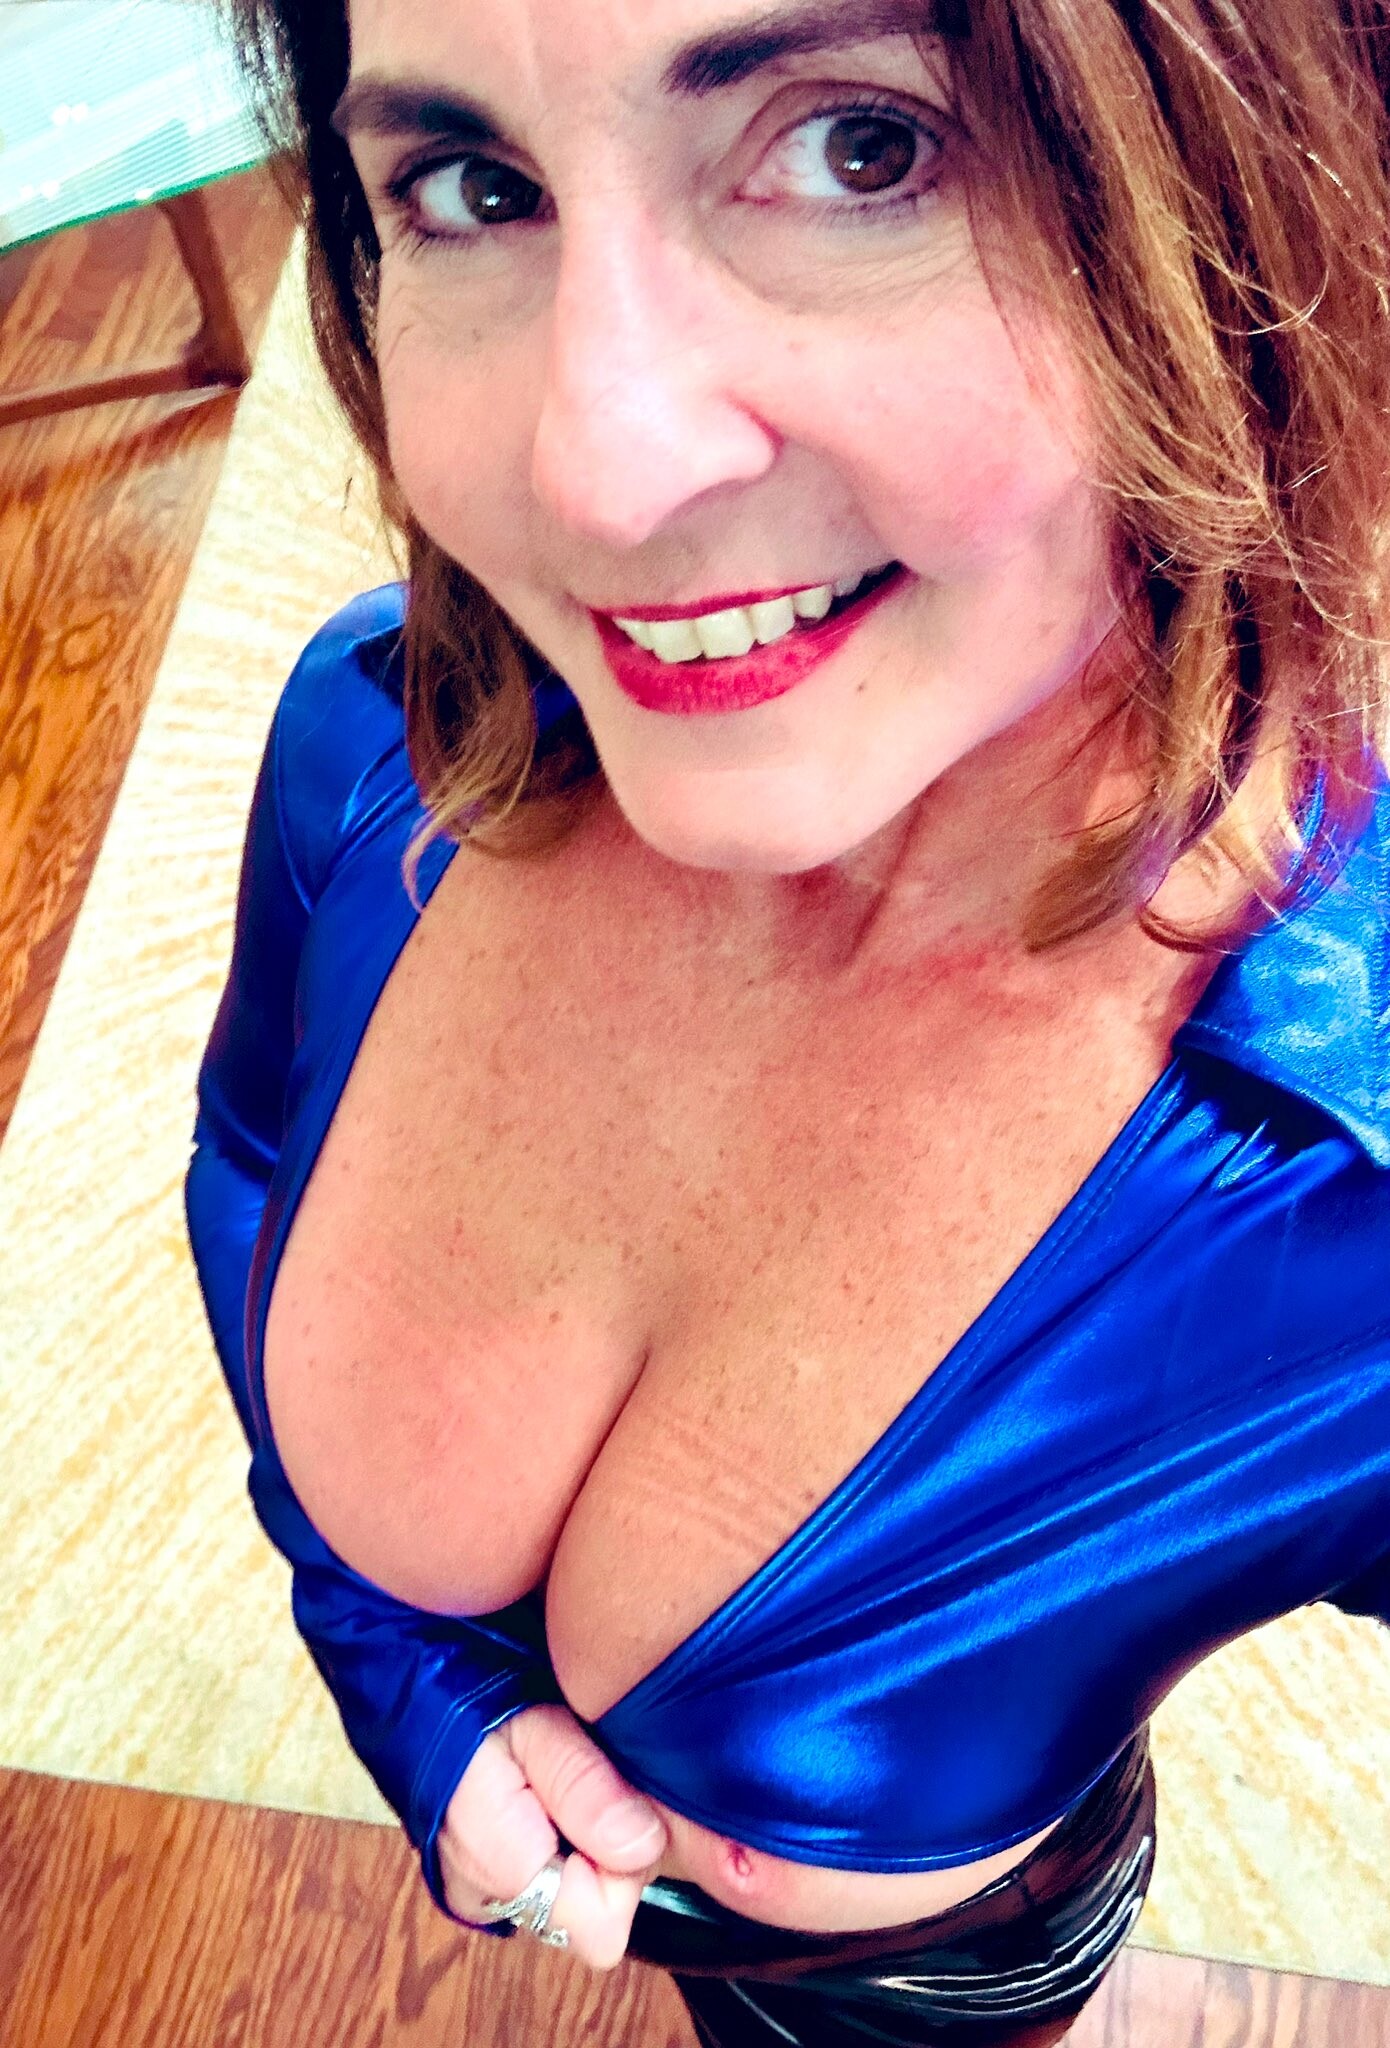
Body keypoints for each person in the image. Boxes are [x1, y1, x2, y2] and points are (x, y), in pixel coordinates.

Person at [187, 0, 1390, 2040]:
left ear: (1260, 171)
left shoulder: (1340, 1160)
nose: (593, 469)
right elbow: (248, 1164)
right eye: (470, 187)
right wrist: (406, 1673)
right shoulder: (376, 746)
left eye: (861, 149)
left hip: (925, 1982)